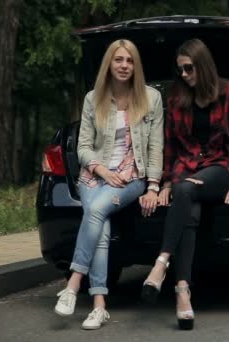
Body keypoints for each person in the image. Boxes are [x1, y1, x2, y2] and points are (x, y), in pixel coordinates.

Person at [54, 39, 164, 329]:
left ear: (136, 66)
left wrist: (153, 185)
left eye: (129, 60)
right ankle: (100, 305)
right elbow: (83, 147)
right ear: (109, 64)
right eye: (118, 60)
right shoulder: (94, 99)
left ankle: (73, 284)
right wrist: (101, 169)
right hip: (95, 175)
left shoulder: (151, 98)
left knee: (96, 212)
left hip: (130, 178)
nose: (124, 65)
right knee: (99, 225)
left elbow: (155, 146)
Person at [140, 38, 229, 330]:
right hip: (186, 171)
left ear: (202, 65)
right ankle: (182, 292)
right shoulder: (176, 99)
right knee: (189, 206)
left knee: (186, 190)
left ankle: (161, 263)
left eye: (189, 69)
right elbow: (171, 148)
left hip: (219, 169)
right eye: (180, 71)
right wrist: (165, 184)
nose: (184, 75)